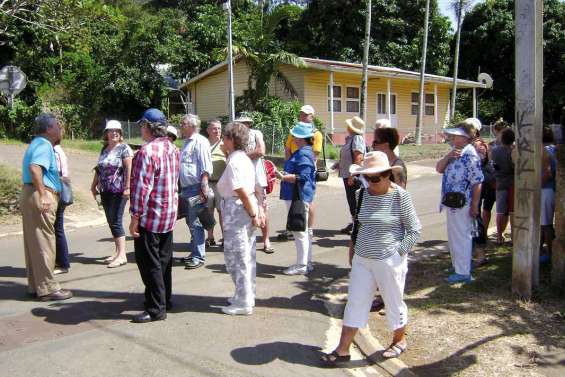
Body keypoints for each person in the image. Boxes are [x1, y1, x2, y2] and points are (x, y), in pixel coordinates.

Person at [321, 152, 421, 366]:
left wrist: (397, 253)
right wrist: (352, 247)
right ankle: (343, 349)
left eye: (375, 178)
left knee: (393, 302)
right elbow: (358, 224)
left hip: (389, 259)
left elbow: (414, 231)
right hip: (362, 258)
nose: (370, 183)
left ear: (388, 176)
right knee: (355, 302)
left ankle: (399, 339)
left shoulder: (400, 196)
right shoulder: (361, 194)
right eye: (366, 177)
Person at [129, 108, 180, 323]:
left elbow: (141, 189)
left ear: (149, 127)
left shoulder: (146, 152)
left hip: (151, 216)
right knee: (163, 261)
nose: (141, 128)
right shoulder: (173, 148)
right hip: (168, 215)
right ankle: (164, 299)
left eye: (142, 125)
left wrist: (134, 218)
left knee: (149, 264)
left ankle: (156, 309)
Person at [20, 113, 72, 301]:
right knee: (45, 243)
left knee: (34, 243)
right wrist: (43, 194)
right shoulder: (43, 145)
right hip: (40, 193)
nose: (60, 129)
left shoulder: (35, 143)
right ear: (49, 129)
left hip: (29, 193)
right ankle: (48, 288)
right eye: (57, 126)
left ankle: (37, 286)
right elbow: (35, 168)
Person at [218, 122, 265, 315]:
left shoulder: (236, 161)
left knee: (237, 257)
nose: (222, 141)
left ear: (231, 140)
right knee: (245, 255)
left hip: (238, 210)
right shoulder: (242, 158)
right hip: (243, 207)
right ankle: (244, 295)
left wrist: (254, 213)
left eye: (225, 137)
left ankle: (244, 302)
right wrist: (258, 210)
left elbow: (241, 190)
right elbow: (255, 188)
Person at [436, 122, 483, 284]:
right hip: (452, 202)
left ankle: (463, 271)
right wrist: (449, 156)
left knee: (462, 236)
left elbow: (477, 182)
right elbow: (439, 168)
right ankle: (458, 266)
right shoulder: (457, 153)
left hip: (463, 203)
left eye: (456, 135)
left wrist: (475, 205)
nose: (452, 138)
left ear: (465, 138)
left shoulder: (470, 155)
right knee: (455, 235)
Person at [90, 120, 133, 268]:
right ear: (106, 133)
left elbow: (129, 169)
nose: (114, 133)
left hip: (119, 190)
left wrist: (127, 187)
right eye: (111, 130)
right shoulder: (104, 149)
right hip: (105, 190)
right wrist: (93, 185)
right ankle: (117, 251)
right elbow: (99, 168)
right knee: (110, 221)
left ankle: (122, 255)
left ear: (120, 133)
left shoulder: (124, 149)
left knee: (116, 220)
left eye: (117, 131)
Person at [277, 122, 317, 275]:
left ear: (301, 138)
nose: (292, 138)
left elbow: (303, 177)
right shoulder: (304, 151)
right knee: (303, 231)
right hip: (298, 195)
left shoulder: (303, 153)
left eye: (294, 136)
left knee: (299, 231)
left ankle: (302, 265)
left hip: (298, 196)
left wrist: (283, 176)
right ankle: (307, 263)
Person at [279, 105, 323, 242]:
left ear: (312, 116)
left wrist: (301, 166)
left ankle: (307, 227)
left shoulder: (316, 133)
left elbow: (314, 154)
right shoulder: (295, 130)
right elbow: (287, 148)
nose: (303, 116)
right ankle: (295, 226)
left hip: (305, 166)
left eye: (306, 115)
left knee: (306, 200)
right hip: (293, 163)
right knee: (294, 200)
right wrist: (288, 165)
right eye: (302, 114)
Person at [179, 114, 213, 269]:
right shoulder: (186, 142)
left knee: (196, 222)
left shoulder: (200, 141)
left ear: (192, 125)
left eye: (183, 123)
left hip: (196, 188)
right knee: (190, 221)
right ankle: (194, 252)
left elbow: (206, 166)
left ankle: (199, 256)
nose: (181, 125)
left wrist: (204, 187)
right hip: (186, 189)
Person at [236, 115, 273, 253]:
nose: (243, 126)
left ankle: (266, 240)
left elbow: (261, 151)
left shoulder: (256, 134)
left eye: (245, 123)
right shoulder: (237, 139)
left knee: (262, 209)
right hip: (242, 178)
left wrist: (242, 157)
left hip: (257, 178)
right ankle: (246, 241)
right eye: (240, 124)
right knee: (243, 209)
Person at [337, 116, 366, 234]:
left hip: (353, 176)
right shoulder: (351, 139)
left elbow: (358, 158)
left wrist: (352, 175)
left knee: (355, 203)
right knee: (352, 202)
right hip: (347, 174)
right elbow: (349, 156)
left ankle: (358, 229)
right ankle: (356, 226)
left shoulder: (357, 139)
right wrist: (339, 164)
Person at [490, 128, 515, 244]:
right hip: (512, 182)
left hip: (500, 181)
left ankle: (499, 236)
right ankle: (514, 236)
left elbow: (493, 166)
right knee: (512, 211)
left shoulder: (494, 151)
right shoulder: (513, 151)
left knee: (500, 211)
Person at [207, 119, 227, 247]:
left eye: (219, 128)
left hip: (221, 184)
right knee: (208, 211)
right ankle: (210, 237)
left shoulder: (225, 145)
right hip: (207, 183)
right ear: (208, 130)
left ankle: (225, 238)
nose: (217, 131)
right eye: (214, 128)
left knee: (222, 212)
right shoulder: (204, 144)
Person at [53, 141, 71, 275]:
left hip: (58, 191)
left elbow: (58, 172)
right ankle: (60, 261)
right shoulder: (58, 150)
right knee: (57, 227)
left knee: (57, 228)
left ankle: (63, 263)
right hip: (60, 189)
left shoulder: (55, 151)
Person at [540, 126, 556, 263]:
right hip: (553, 190)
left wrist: (537, 186)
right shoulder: (554, 148)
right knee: (545, 224)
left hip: (545, 190)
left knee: (546, 225)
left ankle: (551, 254)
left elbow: (547, 173)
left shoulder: (544, 151)